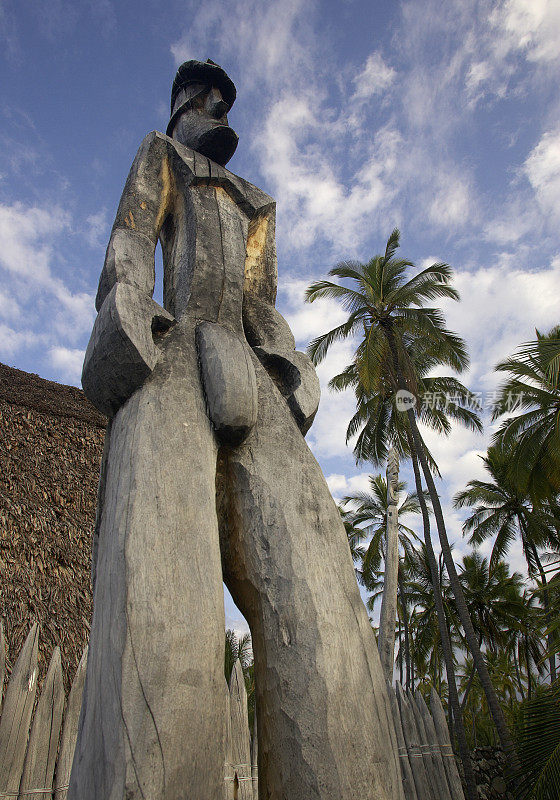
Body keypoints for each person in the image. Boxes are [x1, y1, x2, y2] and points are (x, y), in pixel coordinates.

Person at [69, 59, 403, 800]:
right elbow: (130, 242)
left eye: (224, 98)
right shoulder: (160, 155)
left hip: (246, 362)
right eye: (206, 97)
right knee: (165, 598)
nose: (219, 107)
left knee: (316, 589)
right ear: (183, 106)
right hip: (176, 349)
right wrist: (129, 312)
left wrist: (284, 360)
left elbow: (258, 296)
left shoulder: (255, 201)